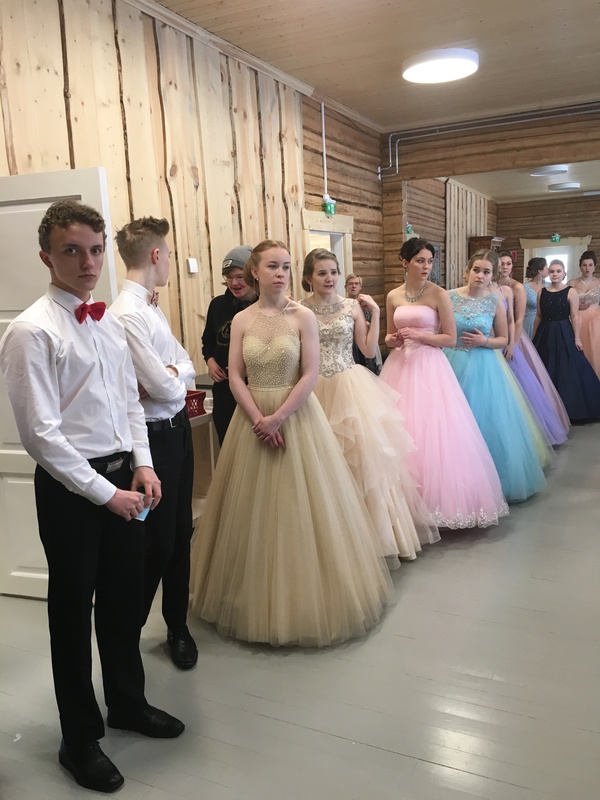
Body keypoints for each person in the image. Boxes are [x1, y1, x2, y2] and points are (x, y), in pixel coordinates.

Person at [0, 200, 184, 794]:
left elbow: (130, 400)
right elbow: (41, 435)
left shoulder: (106, 322)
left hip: (124, 479)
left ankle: (127, 703)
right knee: (72, 613)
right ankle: (78, 739)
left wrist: (143, 464)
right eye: (72, 250)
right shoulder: (31, 330)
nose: (87, 262)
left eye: (96, 250)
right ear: (46, 256)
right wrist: (107, 494)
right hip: (73, 492)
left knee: (125, 602)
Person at [190, 240, 391, 646]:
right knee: (250, 510)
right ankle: (247, 596)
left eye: (285, 266)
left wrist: (277, 418)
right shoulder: (242, 319)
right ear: (255, 272)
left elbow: (310, 373)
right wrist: (258, 419)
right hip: (252, 419)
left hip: (295, 416)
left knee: (302, 503)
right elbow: (235, 375)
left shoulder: (303, 316)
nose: (280, 273)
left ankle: (304, 595)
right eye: (272, 266)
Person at [302, 248, 439, 565]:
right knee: (321, 461)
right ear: (309, 278)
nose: (330, 278)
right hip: (313, 389)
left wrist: (375, 313)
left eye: (333, 272)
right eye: (322, 273)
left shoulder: (351, 306)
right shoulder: (300, 309)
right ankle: (330, 539)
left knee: (362, 461)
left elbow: (366, 349)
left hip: (349, 387)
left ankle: (373, 540)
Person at [109, 217, 197, 671]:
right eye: (169, 255)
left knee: (180, 535)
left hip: (179, 431)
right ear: (157, 255)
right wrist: (171, 379)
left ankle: (177, 626)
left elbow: (184, 365)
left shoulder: (151, 307)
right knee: (155, 544)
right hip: (151, 442)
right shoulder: (127, 313)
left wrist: (171, 374)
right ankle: (125, 637)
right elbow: (162, 389)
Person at [380, 238, 508, 529]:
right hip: (399, 365)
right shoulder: (393, 295)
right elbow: (388, 336)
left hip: (430, 366)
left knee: (433, 432)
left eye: (430, 261)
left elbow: (449, 338)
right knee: (400, 429)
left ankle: (435, 503)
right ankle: (403, 503)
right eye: (420, 261)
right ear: (405, 263)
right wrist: (392, 339)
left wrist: (420, 336)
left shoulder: (439, 294)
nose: (426, 266)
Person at [444, 250, 550, 503]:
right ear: (467, 271)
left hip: (484, 365)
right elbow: (440, 330)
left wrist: (485, 341)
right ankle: (454, 481)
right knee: (452, 422)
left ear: (492, 276)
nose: (480, 276)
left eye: (486, 272)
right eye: (476, 270)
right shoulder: (448, 297)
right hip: (451, 361)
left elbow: (503, 338)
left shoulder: (494, 302)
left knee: (486, 420)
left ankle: (489, 481)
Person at [495, 253, 568, 446]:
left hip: (514, 337)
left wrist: (513, 342)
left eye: (508, 263)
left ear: (512, 266)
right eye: (501, 263)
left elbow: (518, 319)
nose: (504, 267)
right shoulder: (490, 285)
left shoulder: (516, 287)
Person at [201, 245, 257, 444]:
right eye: (229, 277)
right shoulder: (217, 305)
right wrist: (210, 361)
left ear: (253, 275)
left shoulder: (265, 307)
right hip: (225, 392)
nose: (234, 283)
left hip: (255, 391)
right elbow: (208, 340)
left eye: (240, 276)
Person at [533, 259, 600, 422]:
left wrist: (577, 338)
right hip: (545, 333)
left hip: (564, 331)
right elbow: (538, 316)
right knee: (545, 366)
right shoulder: (542, 292)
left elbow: (575, 316)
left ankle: (571, 408)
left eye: (558, 271)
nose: (555, 274)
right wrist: (533, 337)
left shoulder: (571, 292)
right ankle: (547, 407)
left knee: (568, 367)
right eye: (552, 271)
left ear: (564, 273)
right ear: (548, 273)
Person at [567, 250, 600, 378]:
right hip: (577, 318)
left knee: (594, 349)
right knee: (579, 349)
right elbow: (565, 301)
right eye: (584, 265)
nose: (587, 268)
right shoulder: (572, 283)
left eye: (590, 265)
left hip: (596, 319)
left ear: (594, 267)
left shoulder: (599, 283)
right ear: (580, 267)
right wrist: (576, 305)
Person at [345, 272, 381, 373]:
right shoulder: (343, 307)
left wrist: (368, 325)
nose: (353, 286)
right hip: (349, 347)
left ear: (360, 287)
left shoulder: (367, 305)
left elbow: (374, 325)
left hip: (365, 343)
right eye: (350, 284)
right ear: (345, 287)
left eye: (356, 284)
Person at [523, 257, 548, 338]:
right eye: (546, 267)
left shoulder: (550, 285)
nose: (548, 269)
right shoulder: (524, 287)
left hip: (545, 321)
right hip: (529, 322)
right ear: (540, 270)